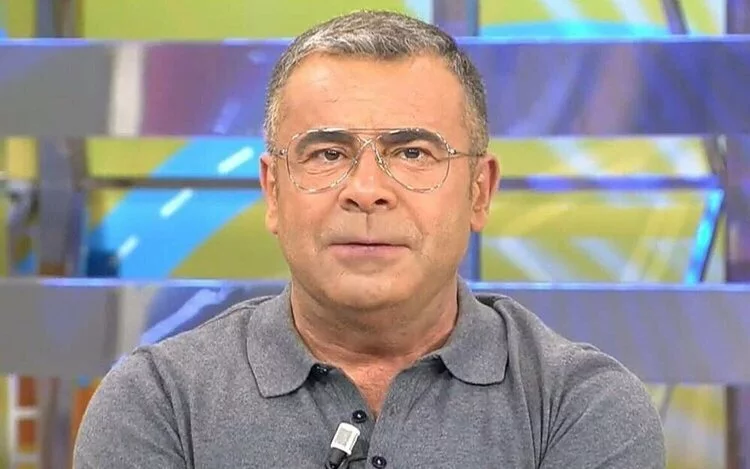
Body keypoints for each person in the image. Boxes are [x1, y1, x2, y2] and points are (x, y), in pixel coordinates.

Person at [73, 10, 665, 468]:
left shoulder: (579, 406)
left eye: (413, 153)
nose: (366, 190)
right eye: (327, 154)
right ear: (273, 191)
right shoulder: (157, 404)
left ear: (479, 192)